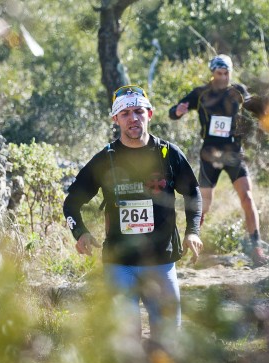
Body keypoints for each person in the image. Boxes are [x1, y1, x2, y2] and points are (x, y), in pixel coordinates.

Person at [63, 84, 203, 347]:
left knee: (168, 340)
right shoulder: (106, 159)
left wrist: (192, 231)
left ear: (149, 114)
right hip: (120, 264)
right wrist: (79, 232)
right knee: (127, 342)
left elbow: (193, 194)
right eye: (125, 113)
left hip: (161, 262)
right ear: (116, 119)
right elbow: (71, 203)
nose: (133, 118)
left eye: (138, 111)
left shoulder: (168, 154)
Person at [169, 53, 269, 266]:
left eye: (226, 73)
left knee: (248, 198)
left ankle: (256, 247)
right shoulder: (201, 93)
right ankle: (191, 247)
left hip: (234, 153)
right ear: (212, 73)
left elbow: (257, 109)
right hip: (209, 155)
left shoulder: (238, 91)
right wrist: (177, 111)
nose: (223, 77)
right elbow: (174, 112)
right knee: (203, 204)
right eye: (219, 73)